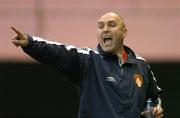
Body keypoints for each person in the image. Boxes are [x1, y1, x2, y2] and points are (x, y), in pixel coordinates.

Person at [11, 12, 163, 118]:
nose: (105, 30)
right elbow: (57, 51)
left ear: (124, 32)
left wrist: (155, 110)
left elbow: (154, 98)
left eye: (111, 25)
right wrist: (30, 43)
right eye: (101, 26)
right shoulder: (87, 60)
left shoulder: (141, 65)